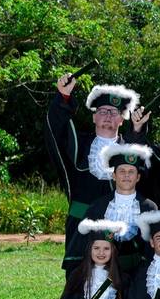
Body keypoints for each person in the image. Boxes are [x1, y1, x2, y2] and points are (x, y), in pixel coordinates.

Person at [46, 76, 144, 272]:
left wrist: (138, 131)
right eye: (102, 111)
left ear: (122, 118)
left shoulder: (133, 151)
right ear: (93, 117)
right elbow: (55, 132)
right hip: (81, 227)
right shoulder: (79, 145)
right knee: (79, 286)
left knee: (120, 285)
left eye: (114, 112)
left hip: (121, 233)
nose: (107, 116)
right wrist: (63, 97)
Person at [78, 144, 157, 273]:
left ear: (137, 177)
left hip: (139, 271)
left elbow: (152, 246)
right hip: (104, 269)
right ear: (114, 176)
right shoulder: (98, 206)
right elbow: (87, 243)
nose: (126, 175)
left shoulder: (149, 207)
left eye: (131, 172)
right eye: (122, 171)